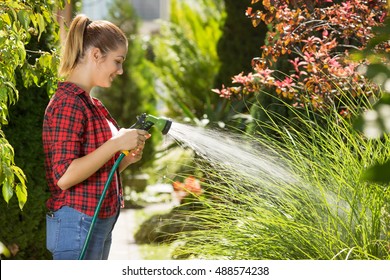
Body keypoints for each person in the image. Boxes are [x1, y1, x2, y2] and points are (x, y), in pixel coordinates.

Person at [42, 14, 150, 260]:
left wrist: (125, 159)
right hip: (77, 222)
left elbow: (97, 171)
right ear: (96, 55)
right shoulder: (68, 104)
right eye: (118, 61)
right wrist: (115, 144)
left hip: (95, 220)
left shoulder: (93, 104)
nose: (120, 71)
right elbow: (65, 177)